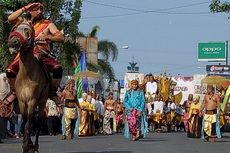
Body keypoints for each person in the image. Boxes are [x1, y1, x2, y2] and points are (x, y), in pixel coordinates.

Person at [6, 1, 64, 99]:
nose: (40, 11)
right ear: (30, 10)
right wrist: (25, 8)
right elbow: (10, 18)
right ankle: (14, 92)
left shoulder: (48, 24)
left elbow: (61, 38)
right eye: (36, 9)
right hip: (23, 55)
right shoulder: (22, 21)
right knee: (9, 71)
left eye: (41, 9)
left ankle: (53, 92)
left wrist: (47, 37)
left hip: (41, 54)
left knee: (58, 68)